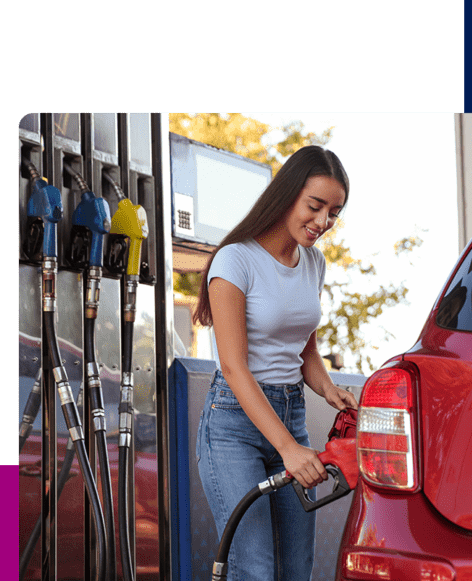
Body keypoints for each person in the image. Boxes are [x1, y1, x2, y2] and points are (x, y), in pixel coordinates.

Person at [193, 145, 359, 581]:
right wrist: (287, 448)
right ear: (287, 195)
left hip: (292, 415)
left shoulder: (313, 262)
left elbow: (304, 347)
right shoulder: (236, 260)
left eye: (334, 213)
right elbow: (234, 367)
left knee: (295, 567)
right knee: (255, 569)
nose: (323, 222)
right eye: (315, 206)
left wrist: (327, 388)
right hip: (234, 427)